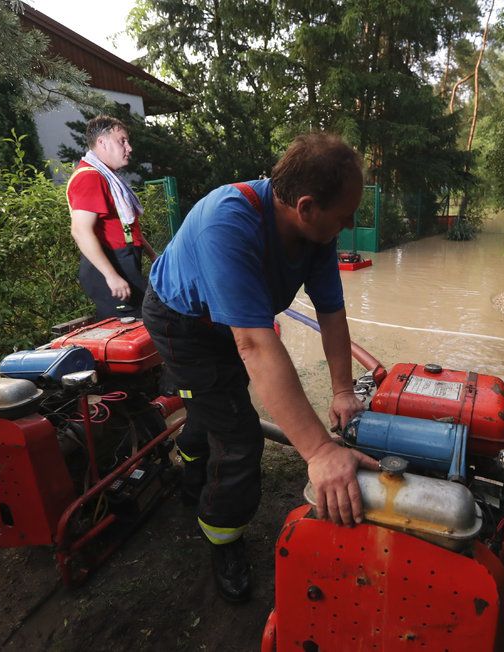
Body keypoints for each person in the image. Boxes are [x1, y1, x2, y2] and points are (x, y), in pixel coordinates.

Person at [142, 133, 379, 603]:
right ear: (306, 207)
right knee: (238, 436)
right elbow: (253, 343)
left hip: (233, 319)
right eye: (345, 216)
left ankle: (191, 457)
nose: (349, 226)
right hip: (183, 324)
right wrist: (319, 453)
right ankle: (221, 536)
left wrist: (342, 390)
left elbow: (332, 313)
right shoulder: (226, 223)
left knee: (215, 405)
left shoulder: (315, 233)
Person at [67, 115, 157, 319]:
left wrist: (152, 255)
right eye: (122, 141)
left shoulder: (109, 178)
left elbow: (126, 225)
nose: (129, 148)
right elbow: (80, 231)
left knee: (147, 319)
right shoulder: (90, 177)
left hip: (124, 262)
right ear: (102, 142)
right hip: (110, 266)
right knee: (134, 326)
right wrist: (111, 276)